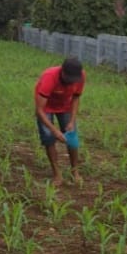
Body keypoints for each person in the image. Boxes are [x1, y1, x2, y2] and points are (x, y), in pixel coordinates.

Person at [34, 57, 86, 186]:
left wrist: (72, 121)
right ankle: (57, 173)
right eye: (69, 79)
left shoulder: (80, 76)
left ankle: (75, 171)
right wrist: (54, 130)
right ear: (62, 72)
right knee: (48, 137)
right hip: (46, 107)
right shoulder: (49, 77)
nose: (72, 82)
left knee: (72, 137)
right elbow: (39, 110)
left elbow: (75, 98)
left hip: (65, 105)